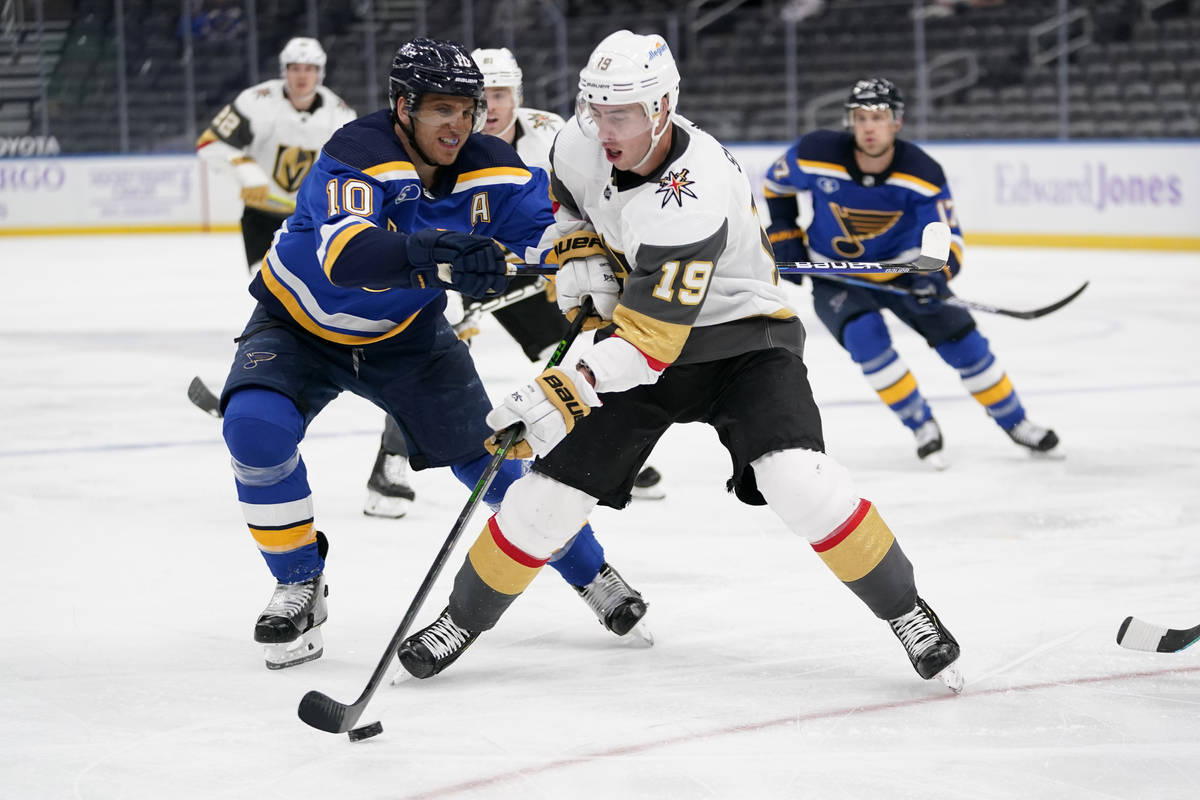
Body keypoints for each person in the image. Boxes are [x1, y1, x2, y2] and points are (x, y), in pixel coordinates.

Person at [396, 31, 963, 693]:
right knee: (542, 500)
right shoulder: (576, 141)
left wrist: (565, 387)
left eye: (624, 114)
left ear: (663, 108)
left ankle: (905, 611)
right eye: (597, 109)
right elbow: (571, 204)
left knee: (799, 480)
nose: (606, 130)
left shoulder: (694, 196)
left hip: (742, 343)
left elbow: (648, 345)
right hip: (644, 342)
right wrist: (578, 248)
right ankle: (462, 617)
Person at [219, 37, 648, 670]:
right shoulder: (356, 153)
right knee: (253, 430)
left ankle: (591, 572)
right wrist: (442, 253)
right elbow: (349, 258)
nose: (459, 123)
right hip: (298, 324)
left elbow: (550, 233)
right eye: (440, 108)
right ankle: (299, 582)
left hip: (409, 342)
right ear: (403, 107)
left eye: (468, 108)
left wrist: (590, 261)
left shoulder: (493, 165)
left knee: (492, 464)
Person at [365, 46, 667, 512]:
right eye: (484, 94)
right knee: (426, 367)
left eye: (502, 93)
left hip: (528, 261)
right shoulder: (443, 140)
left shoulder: (556, 134)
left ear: (518, 95)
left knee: (565, 349)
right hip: (453, 262)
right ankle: (389, 467)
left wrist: (568, 257)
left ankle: (593, 456)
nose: (493, 104)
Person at [762, 77, 1058, 469]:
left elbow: (947, 236)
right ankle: (921, 424)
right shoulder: (816, 152)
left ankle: (1016, 421)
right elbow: (774, 184)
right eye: (861, 117)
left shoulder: (921, 172)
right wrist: (784, 231)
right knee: (867, 340)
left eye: (879, 117)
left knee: (965, 344)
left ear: (896, 122)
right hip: (837, 275)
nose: (869, 127)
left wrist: (934, 276)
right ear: (850, 120)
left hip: (903, 271)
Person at [196, 37, 356, 274]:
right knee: (269, 289)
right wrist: (243, 169)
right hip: (261, 217)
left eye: (309, 69)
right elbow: (209, 143)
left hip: (310, 220)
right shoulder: (256, 101)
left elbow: (350, 170)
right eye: (295, 68)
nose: (302, 76)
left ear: (320, 72)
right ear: (284, 70)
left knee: (314, 295)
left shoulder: (340, 115)